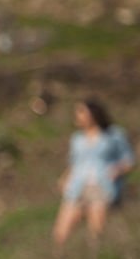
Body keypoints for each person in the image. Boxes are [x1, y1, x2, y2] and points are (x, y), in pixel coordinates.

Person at [52, 98, 135, 249]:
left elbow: (128, 160)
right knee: (61, 231)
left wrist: (117, 170)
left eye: (81, 111)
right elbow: (74, 163)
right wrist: (64, 179)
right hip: (77, 186)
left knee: (95, 231)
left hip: (101, 185)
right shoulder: (77, 139)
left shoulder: (114, 135)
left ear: (93, 114)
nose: (77, 116)